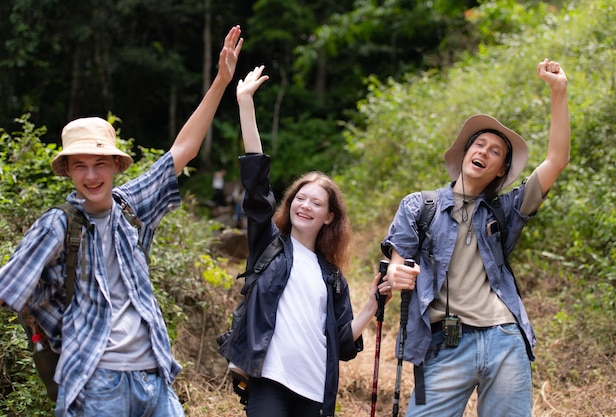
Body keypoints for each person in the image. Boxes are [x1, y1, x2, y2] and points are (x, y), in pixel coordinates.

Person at [0, 25, 243, 417]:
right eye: (80, 166)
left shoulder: (132, 205)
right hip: (97, 382)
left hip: (154, 376)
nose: (91, 176)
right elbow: (8, 284)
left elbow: (183, 149)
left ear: (115, 165)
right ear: (68, 171)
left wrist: (220, 82)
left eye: (99, 164)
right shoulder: (58, 224)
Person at [380, 59, 569, 417]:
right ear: (465, 153)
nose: (483, 151)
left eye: (494, 151)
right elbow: (396, 263)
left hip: (504, 339)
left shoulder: (505, 211)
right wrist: (396, 275)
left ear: (500, 170)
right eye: (478, 145)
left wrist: (558, 91)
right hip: (440, 345)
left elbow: (557, 159)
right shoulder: (420, 205)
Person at [218, 66, 395, 417]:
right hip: (269, 379)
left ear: (329, 217)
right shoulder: (269, 245)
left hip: (315, 389)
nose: (305, 205)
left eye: (317, 202)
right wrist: (245, 104)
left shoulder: (331, 276)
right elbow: (256, 183)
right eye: (300, 197)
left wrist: (373, 304)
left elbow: (343, 343)